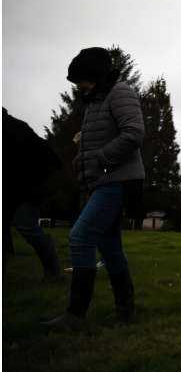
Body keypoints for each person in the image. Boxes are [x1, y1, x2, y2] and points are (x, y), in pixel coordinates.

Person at [43, 47, 145, 331]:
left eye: (81, 80)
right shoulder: (95, 101)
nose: (79, 86)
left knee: (81, 236)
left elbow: (134, 132)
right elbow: (99, 137)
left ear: (95, 75)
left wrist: (101, 158)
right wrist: (81, 157)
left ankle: (75, 316)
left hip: (117, 181)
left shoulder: (120, 92)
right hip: (101, 181)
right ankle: (126, 311)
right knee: (109, 246)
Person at [2, 108, 63, 281]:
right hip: (14, 186)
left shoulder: (12, 128)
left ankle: (53, 272)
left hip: (35, 184)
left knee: (25, 224)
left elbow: (47, 158)